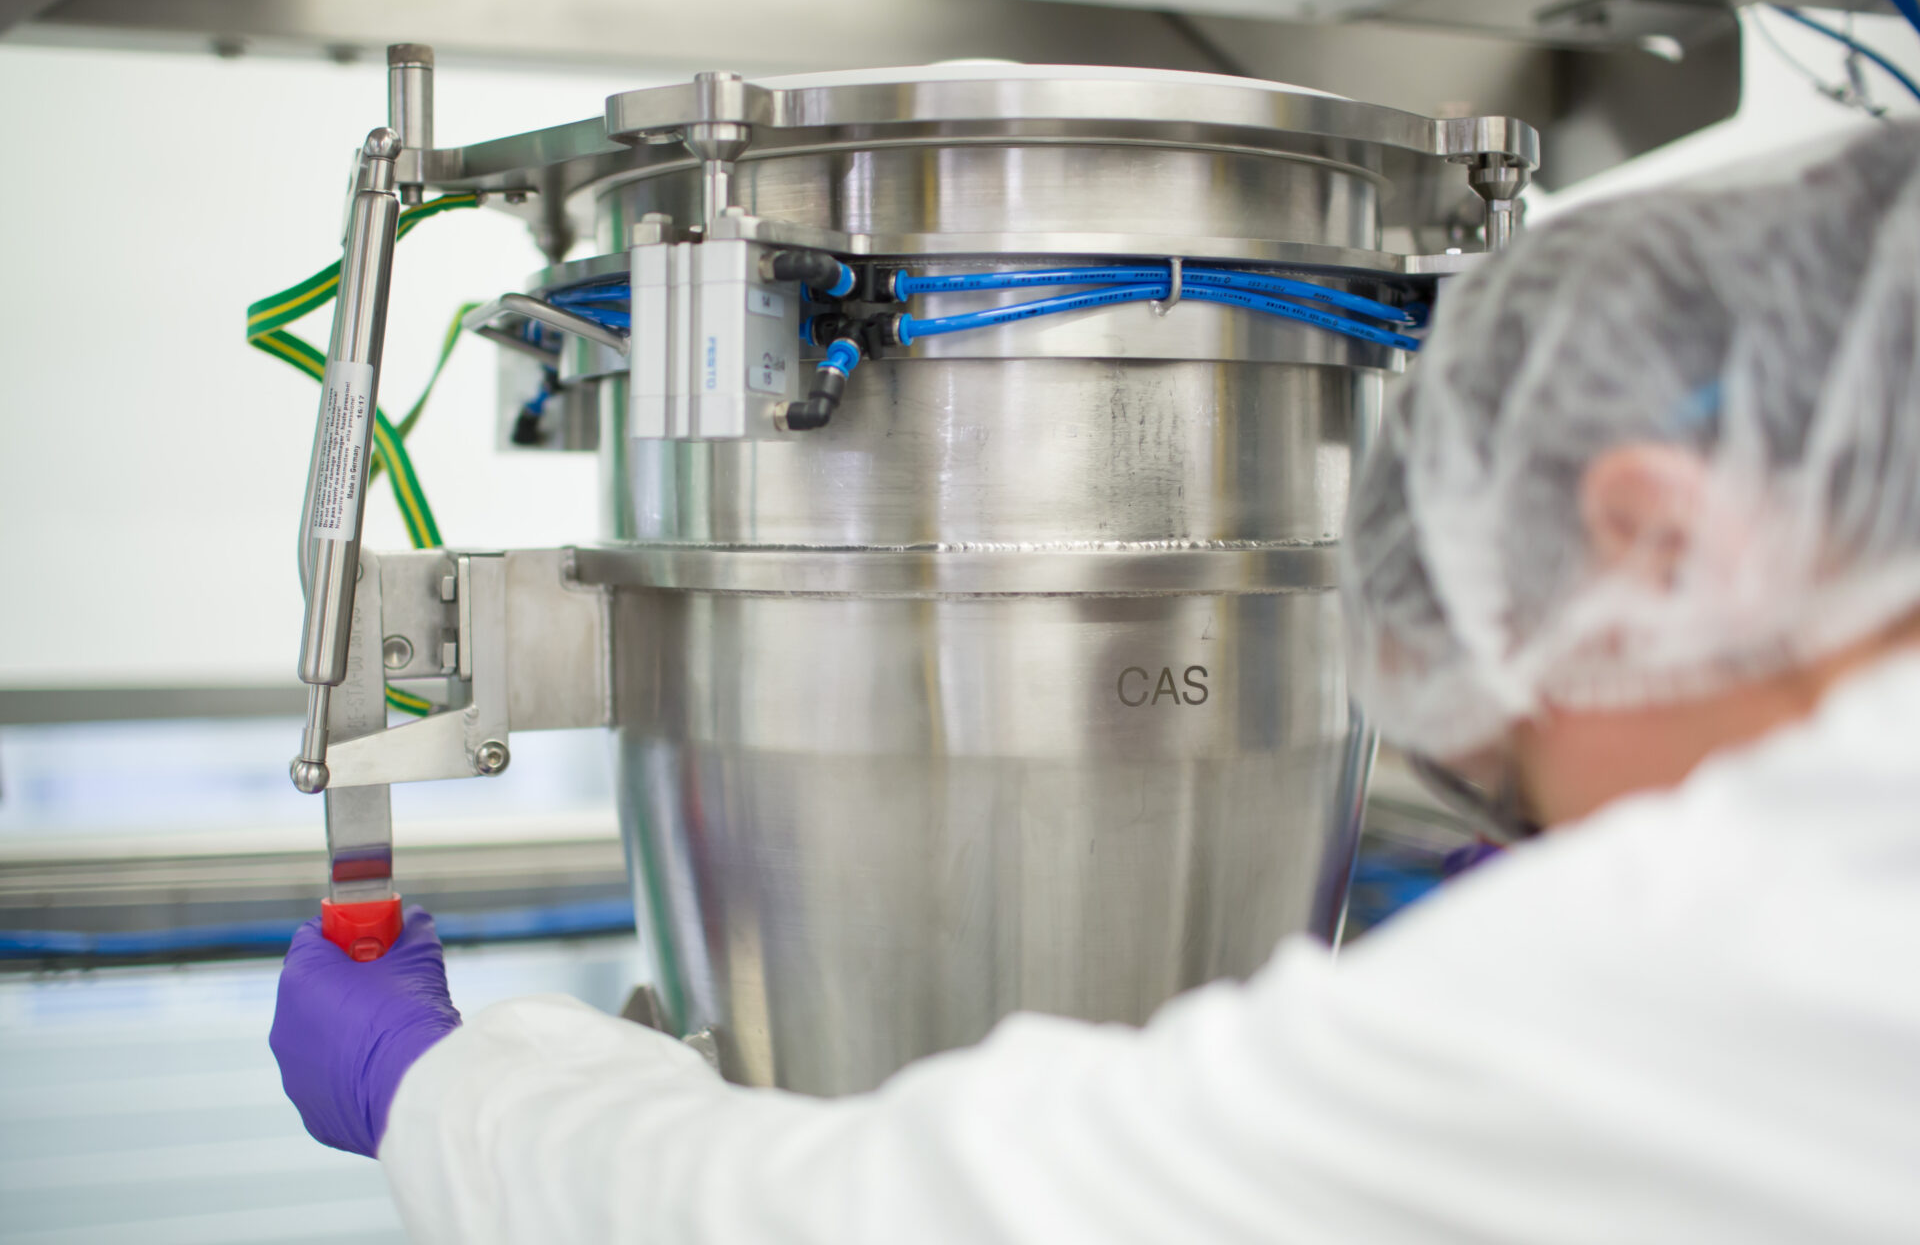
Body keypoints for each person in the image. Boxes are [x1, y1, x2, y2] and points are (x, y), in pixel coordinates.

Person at [273, 123, 1920, 1243]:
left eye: (1532, 775)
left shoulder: (1761, 936)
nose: (1556, 852)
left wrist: (439, 1085)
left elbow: (886, 1217)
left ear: (1653, 539)